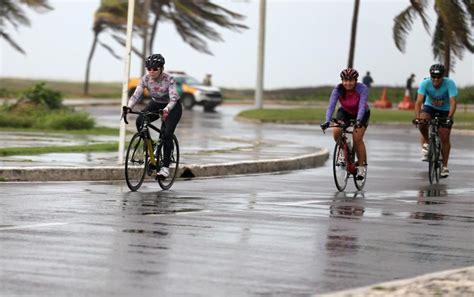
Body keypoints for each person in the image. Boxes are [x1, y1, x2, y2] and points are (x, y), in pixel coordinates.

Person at [122, 53, 182, 179]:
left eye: (155, 69)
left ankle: (165, 168)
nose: (152, 71)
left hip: (172, 106)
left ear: (161, 69)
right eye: (149, 69)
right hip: (156, 103)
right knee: (140, 121)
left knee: (166, 134)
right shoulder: (145, 79)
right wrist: (129, 106)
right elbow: (136, 95)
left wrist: (166, 110)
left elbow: (173, 98)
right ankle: (151, 146)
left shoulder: (169, 79)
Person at [320, 68, 371, 180]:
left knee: (357, 138)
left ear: (356, 80)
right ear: (342, 81)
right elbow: (331, 106)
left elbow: (362, 105)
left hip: (361, 113)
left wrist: (358, 121)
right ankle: (344, 147)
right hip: (345, 112)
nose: (347, 83)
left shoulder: (362, 88)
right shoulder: (338, 89)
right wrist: (327, 121)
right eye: (345, 80)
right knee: (337, 131)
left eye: (351, 80)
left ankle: (362, 167)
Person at [415, 63, 457, 178]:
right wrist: (418, 117)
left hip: (445, 110)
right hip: (430, 107)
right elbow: (419, 102)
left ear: (442, 77)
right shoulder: (425, 83)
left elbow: (453, 102)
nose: (436, 79)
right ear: (430, 76)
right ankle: (427, 144)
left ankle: (445, 166)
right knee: (422, 122)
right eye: (433, 76)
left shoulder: (449, 83)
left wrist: (449, 117)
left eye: (438, 77)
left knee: (444, 135)